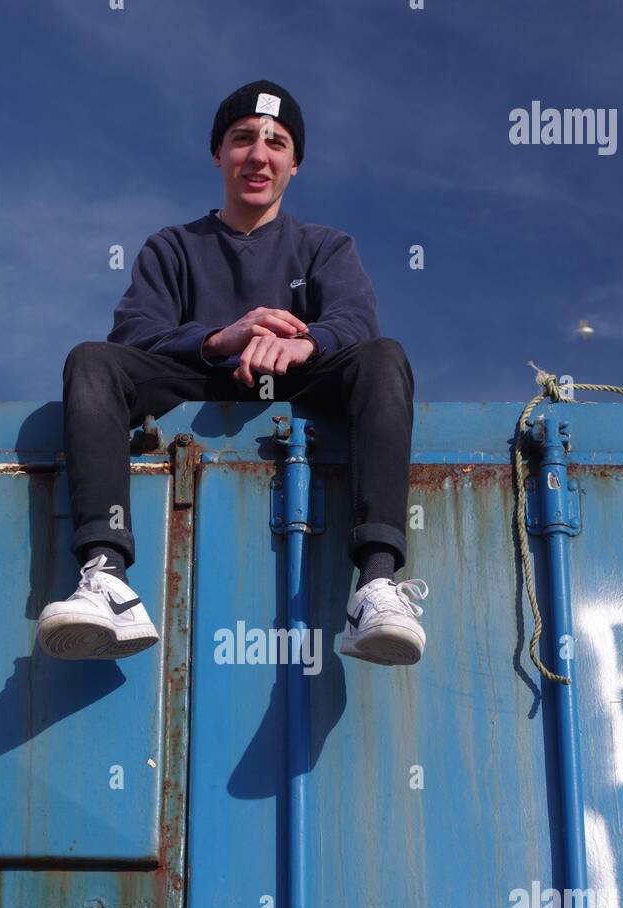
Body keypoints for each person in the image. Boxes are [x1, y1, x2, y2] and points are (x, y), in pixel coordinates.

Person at [37, 79, 428, 666]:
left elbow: (356, 321)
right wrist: (221, 337)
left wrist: (307, 343)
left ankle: (375, 584)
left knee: (385, 357)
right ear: (218, 153)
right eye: (243, 138)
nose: (258, 154)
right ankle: (107, 577)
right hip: (199, 377)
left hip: (300, 380)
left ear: (294, 164)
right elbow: (136, 332)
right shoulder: (172, 247)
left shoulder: (325, 246)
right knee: (91, 360)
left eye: (276, 142)